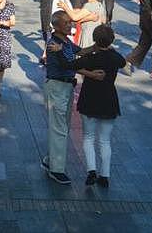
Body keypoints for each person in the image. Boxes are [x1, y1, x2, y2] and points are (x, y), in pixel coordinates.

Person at [54, 25, 125, 188]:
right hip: (109, 99)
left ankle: (91, 170)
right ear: (112, 40)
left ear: (94, 39)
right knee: (105, 140)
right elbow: (122, 62)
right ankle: (105, 175)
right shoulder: (115, 58)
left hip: (90, 98)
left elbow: (68, 64)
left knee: (88, 137)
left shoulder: (91, 59)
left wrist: (59, 51)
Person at [41, 11, 104, 185]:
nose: (71, 25)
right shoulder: (54, 44)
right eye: (67, 23)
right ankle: (57, 169)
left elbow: (81, 51)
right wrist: (91, 74)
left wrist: (97, 47)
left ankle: (50, 160)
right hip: (57, 87)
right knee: (60, 127)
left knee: (62, 126)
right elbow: (69, 64)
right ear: (58, 26)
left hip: (66, 87)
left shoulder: (66, 42)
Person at [39, 0, 59, 65]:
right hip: (48, 13)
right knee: (49, 34)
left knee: (48, 34)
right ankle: (46, 56)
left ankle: (44, 55)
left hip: (45, 12)